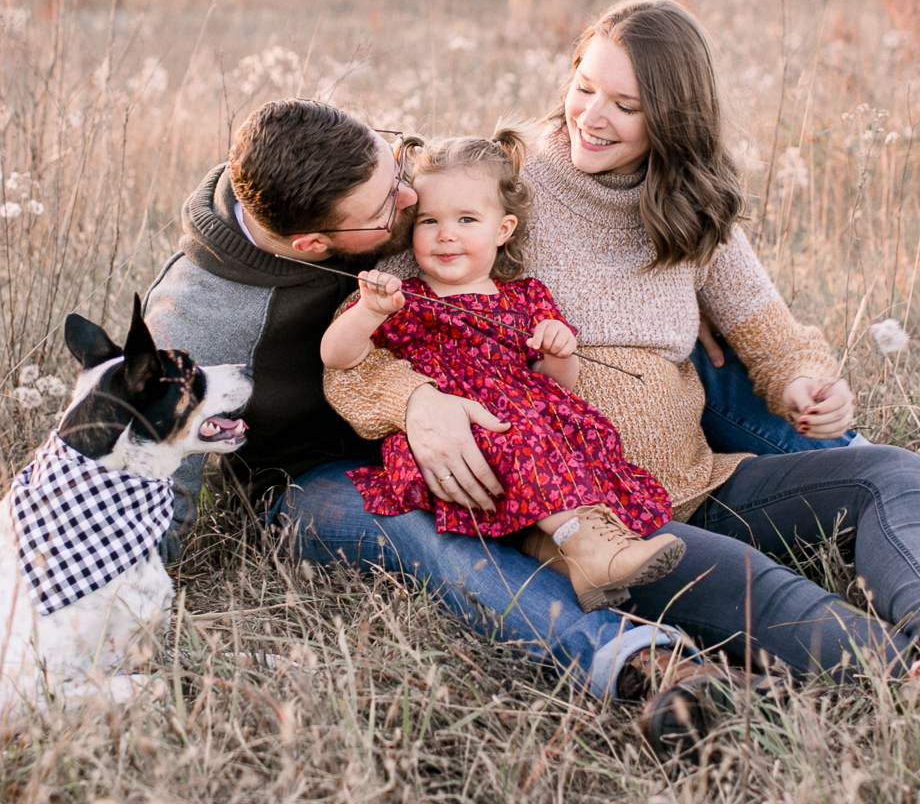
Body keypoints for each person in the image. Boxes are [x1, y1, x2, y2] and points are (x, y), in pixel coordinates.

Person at [322, 0, 920, 698]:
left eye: (626, 105)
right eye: (584, 86)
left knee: (894, 473)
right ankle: (916, 681)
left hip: (702, 480)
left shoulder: (689, 204)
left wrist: (808, 381)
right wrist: (415, 401)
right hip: (598, 516)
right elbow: (378, 327)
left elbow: (769, 330)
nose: (590, 115)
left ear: (674, 118)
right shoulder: (500, 190)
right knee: (749, 579)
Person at [142, 99, 753, 756]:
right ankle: (644, 663)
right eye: (387, 208)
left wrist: (683, 292)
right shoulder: (191, 320)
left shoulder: (339, 165)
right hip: (315, 475)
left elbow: (488, 203)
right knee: (425, 537)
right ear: (313, 247)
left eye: (394, 167)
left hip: (475, 405)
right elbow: (156, 484)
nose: (408, 200)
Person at [321, 132, 684, 611]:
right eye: (429, 221)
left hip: (526, 421)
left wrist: (559, 348)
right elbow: (337, 357)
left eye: (466, 219)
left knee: (572, 432)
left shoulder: (525, 297)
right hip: (464, 434)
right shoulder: (404, 298)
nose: (445, 234)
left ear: (503, 229)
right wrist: (368, 311)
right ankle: (591, 547)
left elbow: (558, 386)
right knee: (520, 437)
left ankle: (565, 551)